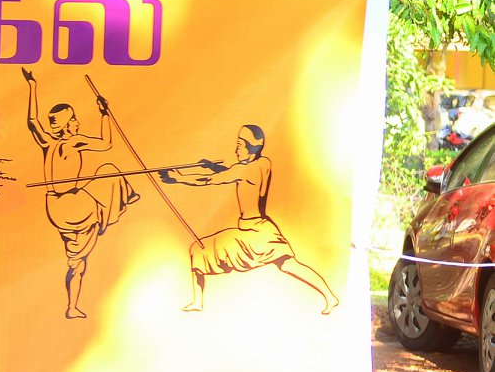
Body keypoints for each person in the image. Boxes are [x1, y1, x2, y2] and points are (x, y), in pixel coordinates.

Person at [160, 125, 338, 315]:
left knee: (198, 249)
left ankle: (198, 302)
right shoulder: (263, 163)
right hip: (260, 230)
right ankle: (330, 296)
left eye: (239, 145)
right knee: (288, 264)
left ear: (250, 147)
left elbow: (210, 179)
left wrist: (178, 178)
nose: (235, 150)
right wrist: (213, 166)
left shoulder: (245, 169)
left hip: (254, 234)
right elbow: (235, 172)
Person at [23, 69, 138, 320]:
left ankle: (72, 306)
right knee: (109, 172)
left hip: (55, 209)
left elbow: (32, 121)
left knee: (77, 259)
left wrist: (32, 85)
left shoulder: (47, 143)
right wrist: (104, 114)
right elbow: (106, 144)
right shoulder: (73, 141)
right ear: (67, 125)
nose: (77, 122)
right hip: (73, 205)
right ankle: (125, 197)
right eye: (74, 119)